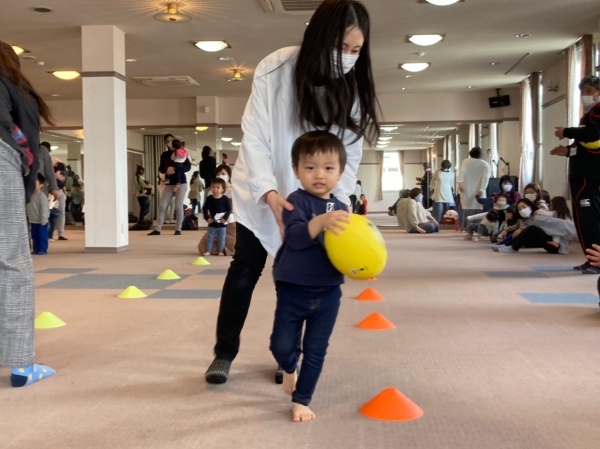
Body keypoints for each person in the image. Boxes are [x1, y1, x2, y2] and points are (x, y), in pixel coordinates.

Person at [204, 0, 380, 385]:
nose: (347, 59)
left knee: (302, 280)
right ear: (318, 38)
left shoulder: (351, 87)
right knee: (245, 270)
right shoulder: (277, 67)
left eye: (355, 51)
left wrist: (336, 203)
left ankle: (288, 356)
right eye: (340, 48)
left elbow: (348, 156)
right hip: (261, 189)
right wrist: (268, 193)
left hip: (315, 200)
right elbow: (257, 137)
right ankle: (224, 353)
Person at [270, 130, 349, 422]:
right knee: (280, 345)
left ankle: (301, 399)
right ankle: (289, 366)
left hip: (328, 291)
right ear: (296, 171)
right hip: (293, 287)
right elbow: (297, 237)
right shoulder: (296, 201)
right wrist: (321, 221)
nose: (320, 175)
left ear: (340, 173)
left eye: (328, 168)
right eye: (310, 167)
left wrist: (363, 266)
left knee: (316, 349)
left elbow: (351, 249)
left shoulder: (342, 208)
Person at [0, 41, 55, 386]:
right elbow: (24, 139)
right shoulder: (14, 86)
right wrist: (27, 170)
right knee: (13, 262)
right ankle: (21, 365)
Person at [551, 75, 600, 274]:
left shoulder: (597, 110)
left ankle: (596, 262)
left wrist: (567, 131)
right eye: (582, 92)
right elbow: (585, 146)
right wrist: (567, 151)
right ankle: (591, 260)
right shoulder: (586, 114)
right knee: (583, 220)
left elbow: (593, 135)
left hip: (590, 175)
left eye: (589, 91)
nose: (585, 96)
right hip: (581, 173)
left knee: (590, 219)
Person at [496, 196, 575, 254]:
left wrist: (556, 242)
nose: (550, 206)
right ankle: (509, 245)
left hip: (557, 247)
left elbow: (558, 231)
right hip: (553, 242)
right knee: (531, 228)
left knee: (532, 229)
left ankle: (512, 247)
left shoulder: (562, 217)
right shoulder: (556, 215)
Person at [148, 134, 191, 236]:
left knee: (178, 206)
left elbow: (187, 167)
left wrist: (176, 169)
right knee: (162, 206)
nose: (170, 142)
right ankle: (158, 229)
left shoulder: (182, 152)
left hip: (181, 182)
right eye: (167, 141)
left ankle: (178, 229)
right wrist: (167, 169)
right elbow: (161, 168)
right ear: (165, 143)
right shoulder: (164, 155)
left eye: (171, 140)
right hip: (168, 183)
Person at [457, 147, 491, 230]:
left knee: (467, 206)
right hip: (478, 189)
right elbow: (485, 178)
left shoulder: (466, 161)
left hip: (466, 188)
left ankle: (467, 227)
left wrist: (460, 184)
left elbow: (461, 174)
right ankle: (478, 228)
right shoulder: (484, 164)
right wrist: (482, 189)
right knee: (478, 206)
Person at [202, 178, 231, 256]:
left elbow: (229, 209)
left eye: (218, 187)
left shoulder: (225, 199)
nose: (215, 189)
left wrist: (225, 218)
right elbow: (204, 208)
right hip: (212, 223)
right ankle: (208, 251)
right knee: (210, 238)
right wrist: (207, 218)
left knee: (221, 239)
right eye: (213, 187)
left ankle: (221, 251)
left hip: (222, 224)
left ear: (222, 189)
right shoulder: (209, 198)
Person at [26, 173, 49, 255]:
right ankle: (36, 249)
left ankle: (43, 249)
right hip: (33, 220)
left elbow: (44, 209)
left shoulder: (42, 196)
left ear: (41, 185)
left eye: (35, 183)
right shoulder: (30, 195)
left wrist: (44, 219)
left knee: (42, 236)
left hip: (42, 221)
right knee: (34, 236)